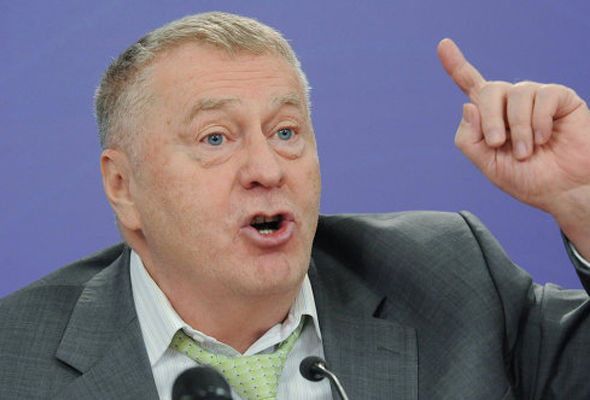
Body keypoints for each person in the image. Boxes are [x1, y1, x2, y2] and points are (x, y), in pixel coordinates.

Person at [1, 11, 590, 400]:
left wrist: (583, 201)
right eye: (215, 138)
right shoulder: (13, 359)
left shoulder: (449, 280)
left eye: (285, 132)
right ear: (123, 187)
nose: (267, 169)